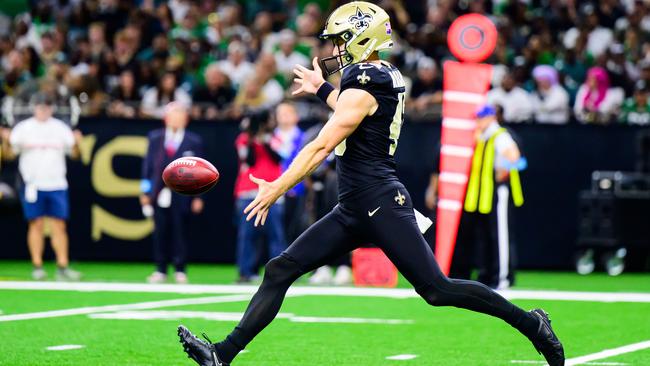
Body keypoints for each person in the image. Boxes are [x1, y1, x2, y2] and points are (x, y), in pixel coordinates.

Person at [177, 3, 565, 366]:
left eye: (342, 39)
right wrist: (324, 89)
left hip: (379, 201)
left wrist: (277, 187)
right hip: (354, 205)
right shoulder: (374, 77)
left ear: (364, 39)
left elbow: (323, 144)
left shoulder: (367, 79)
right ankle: (222, 354)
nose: (335, 49)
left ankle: (532, 324)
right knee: (280, 269)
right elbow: (352, 108)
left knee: (436, 289)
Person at [0, 93, 82, 281]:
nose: (43, 110)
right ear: (34, 107)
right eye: (40, 106)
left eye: (46, 106)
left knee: (59, 226)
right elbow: (9, 155)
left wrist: (78, 142)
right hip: (33, 185)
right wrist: (5, 140)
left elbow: (76, 155)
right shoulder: (23, 128)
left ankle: (62, 266)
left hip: (57, 184)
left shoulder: (60, 128)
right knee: (35, 224)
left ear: (52, 108)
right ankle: (37, 266)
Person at [452, 105, 525, 290]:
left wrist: (506, 168)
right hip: (481, 195)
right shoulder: (482, 137)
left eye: (480, 118)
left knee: (500, 236)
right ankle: (488, 274)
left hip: (497, 191)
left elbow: (517, 158)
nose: (477, 122)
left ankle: (503, 277)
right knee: (486, 236)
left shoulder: (500, 135)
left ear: (490, 118)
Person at [140, 102, 204, 284]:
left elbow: (201, 171)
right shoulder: (155, 138)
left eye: (180, 116)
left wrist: (199, 196)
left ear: (186, 119)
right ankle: (160, 268)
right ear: (166, 118)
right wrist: (145, 192)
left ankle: (180, 268)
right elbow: (147, 168)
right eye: (173, 115)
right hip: (159, 193)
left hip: (183, 193)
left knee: (180, 231)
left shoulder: (193, 141)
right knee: (159, 231)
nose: (176, 119)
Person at [233, 109, 286, 283]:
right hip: (248, 192)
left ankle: (280, 272)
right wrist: (252, 138)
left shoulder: (275, 138)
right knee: (247, 234)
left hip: (273, 192)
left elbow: (278, 158)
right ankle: (245, 271)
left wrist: (264, 140)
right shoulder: (243, 139)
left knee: (275, 234)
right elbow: (249, 160)